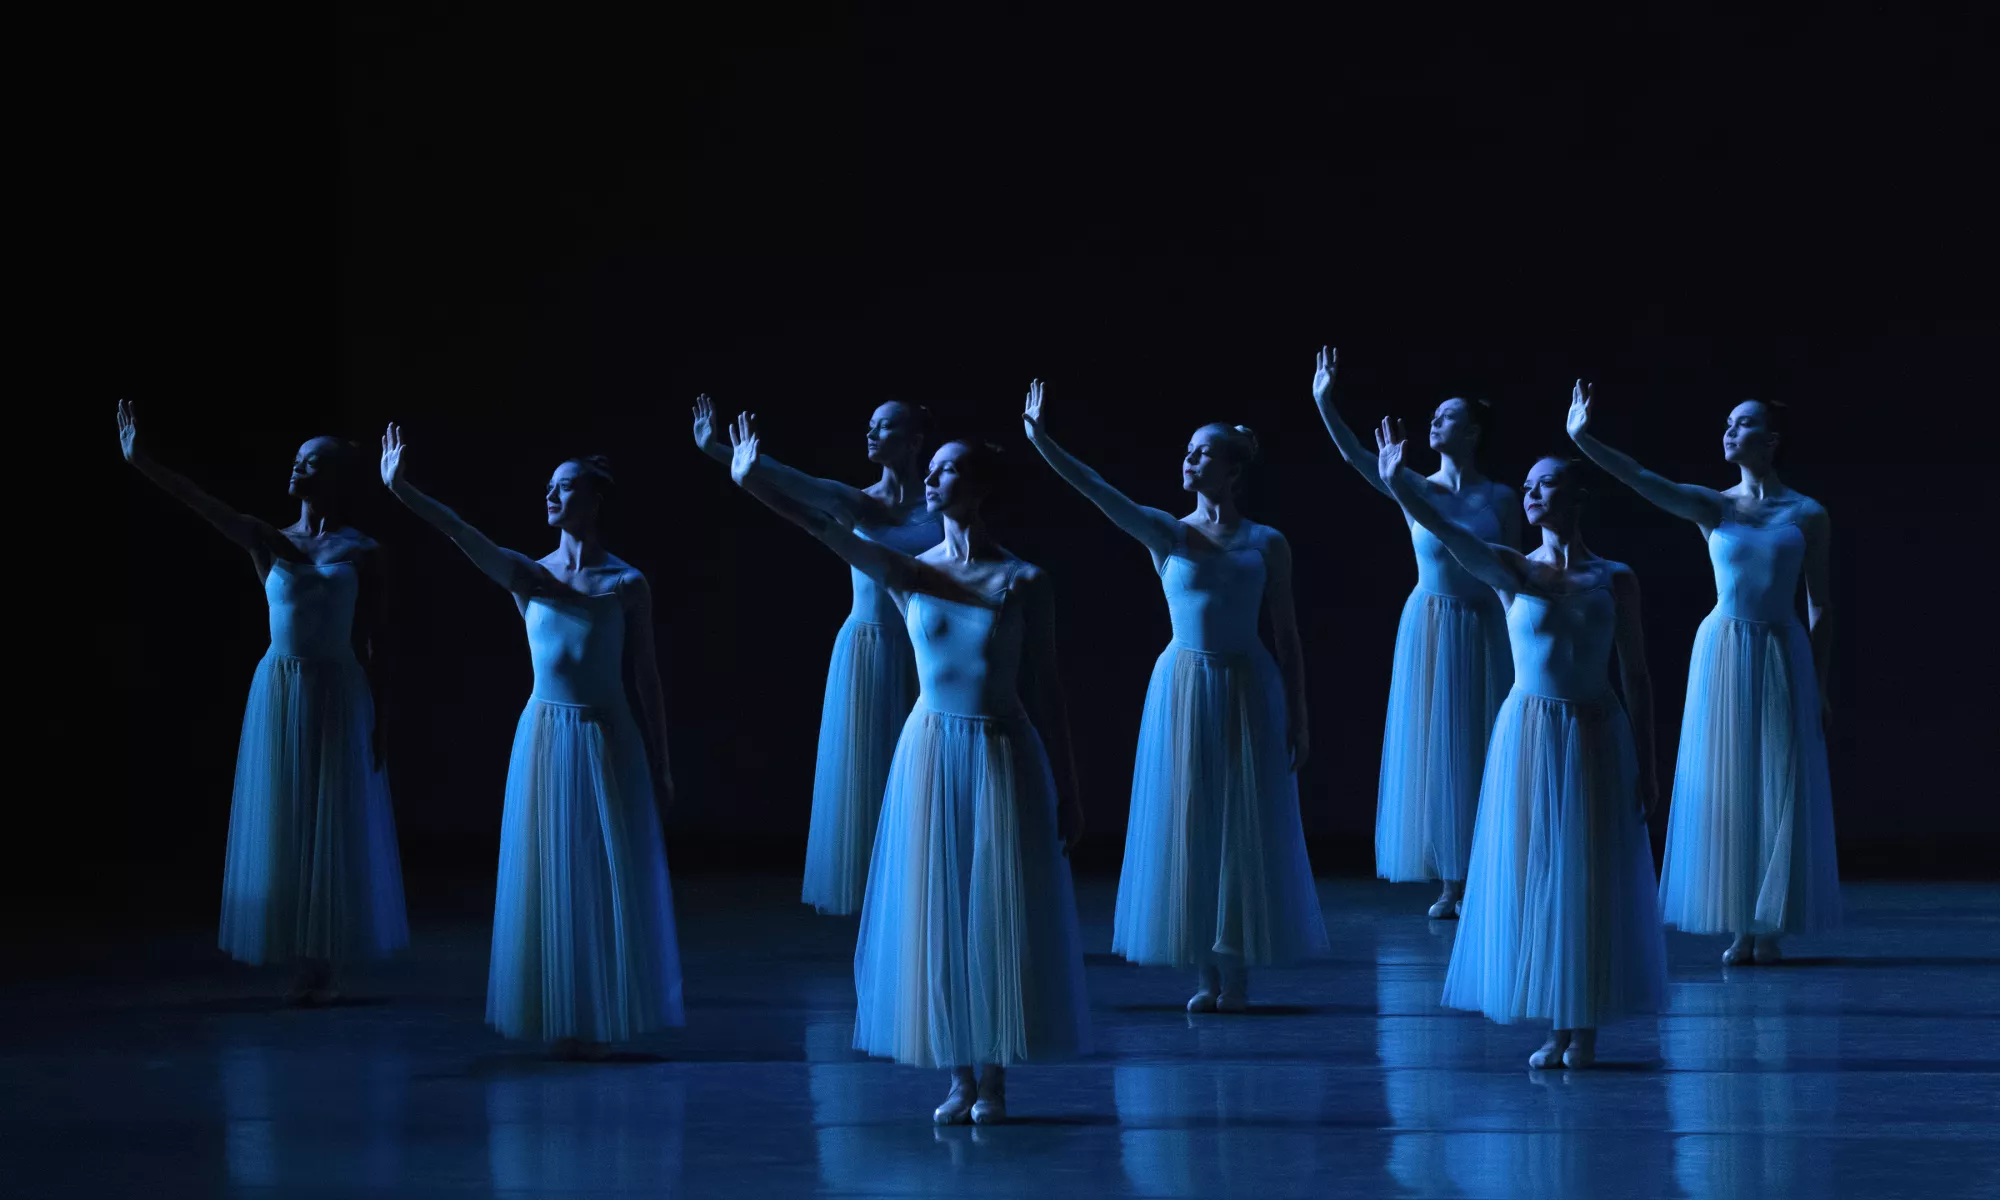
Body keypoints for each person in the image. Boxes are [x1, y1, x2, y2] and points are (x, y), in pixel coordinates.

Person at [729, 412, 1088, 1125]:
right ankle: (959, 1074)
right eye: (932, 469)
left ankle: (995, 1076)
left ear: (979, 486)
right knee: (941, 907)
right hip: (930, 752)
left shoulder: (1024, 580)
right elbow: (821, 527)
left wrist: (1071, 790)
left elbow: (1048, 690)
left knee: (994, 910)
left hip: (1001, 751)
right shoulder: (910, 574)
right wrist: (748, 478)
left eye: (948, 468)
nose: (932, 477)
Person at [1021, 380, 1325, 1012]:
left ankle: (1236, 968)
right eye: (1188, 450)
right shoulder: (1168, 533)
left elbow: (1289, 635)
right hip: (1184, 686)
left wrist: (1299, 717)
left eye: (1203, 452)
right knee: (1191, 821)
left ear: (1233, 469)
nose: (1189, 459)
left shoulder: (1267, 542)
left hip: (1249, 685)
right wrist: (1044, 441)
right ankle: (1205, 971)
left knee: (1242, 825)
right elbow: (1098, 490)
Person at [1378, 410, 1667, 1069]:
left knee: (1588, 875)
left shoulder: (1616, 578)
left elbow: (1639, 676)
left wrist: (1649, 767)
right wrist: (1399, 486)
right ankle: (1556, 1021)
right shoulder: (1511, 568)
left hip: (1596, 731)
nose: (1532, 492)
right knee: (1538, 871)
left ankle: (1582, 1023)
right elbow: (1451, 534)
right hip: (1531, 733)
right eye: (1528, 485)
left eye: (1548, 483)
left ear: (1579, 496)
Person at [380, 425, 681, 1054]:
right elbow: (459, 530)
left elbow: (647, 678)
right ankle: (560, 1013)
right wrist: (402, 488)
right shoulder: (529, 575)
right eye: (548, 486)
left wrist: (661, 762)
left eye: (564, 487)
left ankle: (599, 1014)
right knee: (552, 874)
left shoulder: (627, 583)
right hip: (546, 738)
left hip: (607, 737)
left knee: (603, 876)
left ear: (594, 500)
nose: (550, 495)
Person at [116, 400, 407, 1002]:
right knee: (288, 816)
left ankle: (325, 956)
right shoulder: (268, 539)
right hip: (280, 688)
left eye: (312, 462)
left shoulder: (364, 551)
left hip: (338, 688)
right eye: (297, 459)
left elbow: (377, 642)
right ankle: (300, 951)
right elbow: (201, 502)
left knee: (333, 819)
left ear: (336, 478)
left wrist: (381, 718)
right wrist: (142, 461)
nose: (298, 467)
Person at [1567, 385, 1838, 965]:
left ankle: (1771, 921)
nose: (1729, 431)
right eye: (1727, 423)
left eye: (1742, 424)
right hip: (1724, 649)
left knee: (1778, 779)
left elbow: (1820, 605)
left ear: (1771, 439)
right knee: (1731, 780)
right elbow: (1641, 478)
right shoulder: (1714, 506)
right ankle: (1740, 922)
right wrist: (1583, 438)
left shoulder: (1808, 514)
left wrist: (1819, 683)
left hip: (1782, 650)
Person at [692, 395, 940, 914]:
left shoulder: (940, 504)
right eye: (869, 424)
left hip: (928, 651)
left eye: (885, 427)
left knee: (924, 776)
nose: (870, 433)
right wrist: (721, 453)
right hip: (869, 648)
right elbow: (799, 485)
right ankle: (880, 902)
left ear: (915, 441)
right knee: (869, 775)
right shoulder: (857, 501)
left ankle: (923, 887)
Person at [1311, 347, 1517, 918]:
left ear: (1472, 432)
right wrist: (1324, 401)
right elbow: (1356, 457)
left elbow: (1514, 568)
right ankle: (1452, 879)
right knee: (1440, 747)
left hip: (1484, 623)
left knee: (1484, 740)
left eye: (1447, 416)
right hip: (1432, 624)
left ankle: (1490, 868)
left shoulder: (1501, 497)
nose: (1434, 421)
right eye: (1435, 415)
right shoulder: (1413, 485)